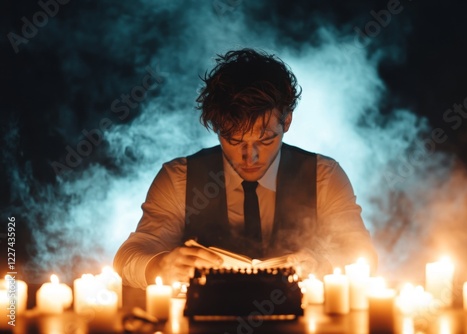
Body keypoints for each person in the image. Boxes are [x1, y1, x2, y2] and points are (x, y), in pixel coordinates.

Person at [114, 48, 377, 289]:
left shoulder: (324, 176)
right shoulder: (178, 178)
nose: (249, 156)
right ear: (216, 126)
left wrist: (322, 264)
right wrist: (159, 265)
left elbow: (361, 253)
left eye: (265, 140)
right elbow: (129, 255)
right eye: (234, 140)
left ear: (287, 121)